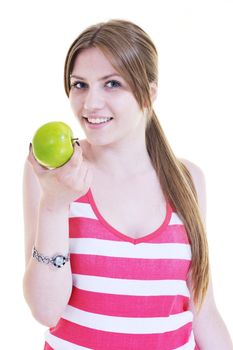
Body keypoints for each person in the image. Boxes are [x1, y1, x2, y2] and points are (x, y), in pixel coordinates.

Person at [23, 19, 233, 350]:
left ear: (149, 93)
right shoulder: (56, 174)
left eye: (111, 84)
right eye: (79, 84)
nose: (90, 104)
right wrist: (54, 203)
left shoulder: (188, 180)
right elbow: (46, 310)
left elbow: (203, 311)